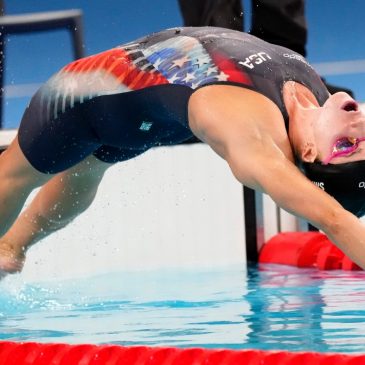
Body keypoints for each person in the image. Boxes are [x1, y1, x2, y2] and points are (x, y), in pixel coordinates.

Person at [0, 26, 365, 275]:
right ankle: (13, 248)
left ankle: (10, 247)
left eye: (350, 145)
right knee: (86, 170)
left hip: (79, 98)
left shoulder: (251, 136)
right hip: (145, 113)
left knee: (12, 176)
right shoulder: (313, 96)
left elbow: (334, 220)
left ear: (310, 152)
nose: (359, 125)